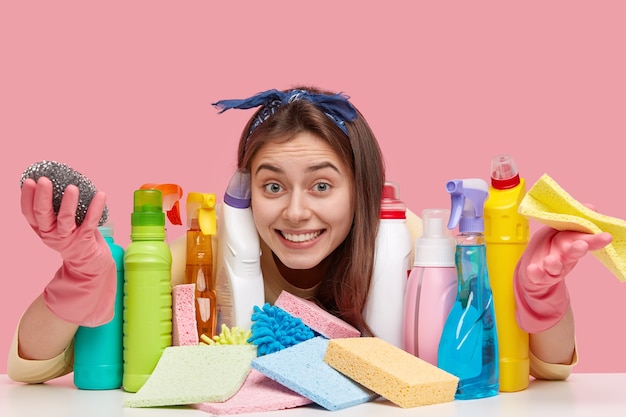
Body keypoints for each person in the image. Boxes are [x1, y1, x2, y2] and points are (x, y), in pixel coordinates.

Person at [7, 85, 612, 385]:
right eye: (273, 187)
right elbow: (36, 367)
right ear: (247, 190)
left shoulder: (422, 262)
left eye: (322, 186)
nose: (296, 213)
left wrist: (543, 302)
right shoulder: (204, 259)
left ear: (365, 189)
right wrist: (76, 284)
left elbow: (544, 372)